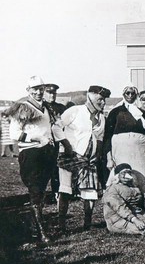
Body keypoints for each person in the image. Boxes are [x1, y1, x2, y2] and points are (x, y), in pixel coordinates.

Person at [5, 76, 58, 243]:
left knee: (41, 192)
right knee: (35, 191)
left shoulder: (46, 107)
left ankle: (35, 228)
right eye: (34, 89)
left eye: (41, 88)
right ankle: (41, 233)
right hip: (31, 154)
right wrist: (34, 139)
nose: (38, 92)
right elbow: (14, 133)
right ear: (28, 90)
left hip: (47, 154)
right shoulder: (23, 107)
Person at [53, 85, 111, 232]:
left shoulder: (101, 118)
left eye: (104, 100)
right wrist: (66, 145)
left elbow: (99, 138)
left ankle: (87, 224)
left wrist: (96, 155)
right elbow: (56, 127)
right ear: (90, 97)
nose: (103, 103)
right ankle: (61, 225)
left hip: (89, 161)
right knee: (65, 190)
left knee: (90, 192)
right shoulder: (75, 111)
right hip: (69, 157)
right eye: (100, 99)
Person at [104, 85, 145, 186]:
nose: (130, 95)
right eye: (128, 93)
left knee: (142, 180)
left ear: (136, 95)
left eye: (133, 93)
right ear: (123, 94)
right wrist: (109, 158)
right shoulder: (115, 112)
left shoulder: (142, 113)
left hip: (141, 154)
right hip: (122, 152)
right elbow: (107, 135)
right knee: (123, 178)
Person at [43, 83, 67, 204]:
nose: (52, 95)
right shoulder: (41, 107)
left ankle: (56, 192)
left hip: (58, 143)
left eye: (54, 93)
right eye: (49, 93)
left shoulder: (61, 108)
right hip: (44, 143)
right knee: (43, 169)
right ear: (44, 93)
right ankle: (40, 195)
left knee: (56, 169)